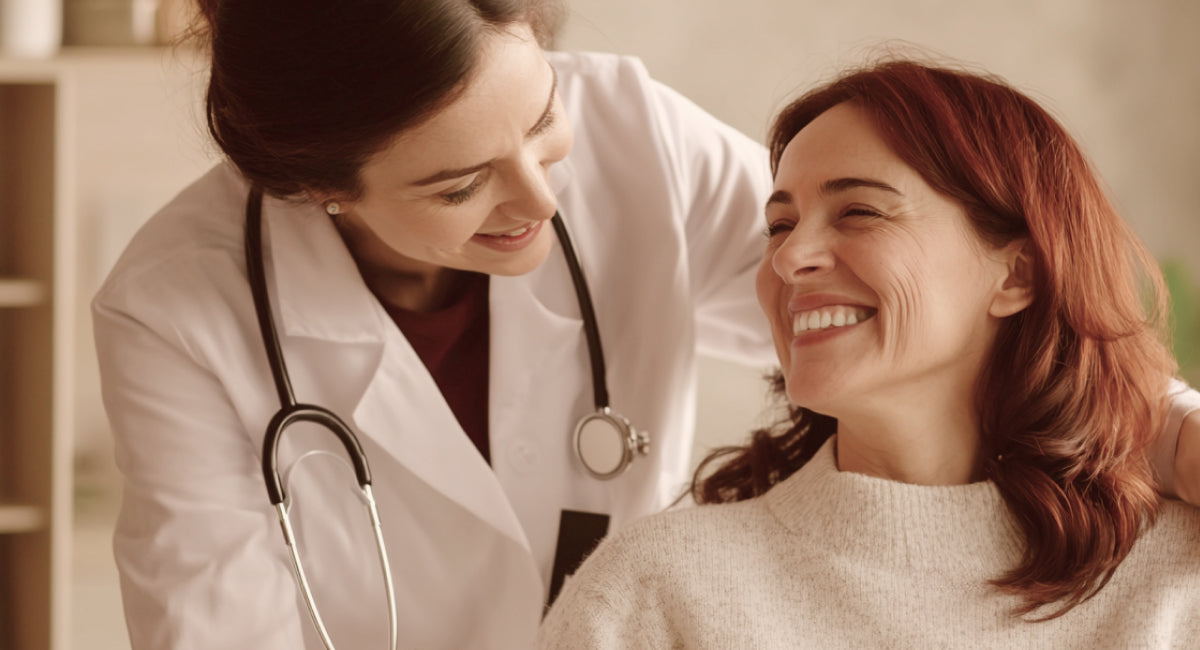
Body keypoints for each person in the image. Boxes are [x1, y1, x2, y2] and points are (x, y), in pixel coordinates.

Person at [92, 1, 776, 648]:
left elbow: (864, 304)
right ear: (322, 188)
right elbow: (218, 630)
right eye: (460, 186)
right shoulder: (172, 310)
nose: (541, 198)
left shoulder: (639, 136)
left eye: (542, 121)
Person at [537, 58, 1200, 648]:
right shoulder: (653, 592)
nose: (789, 257)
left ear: (1018, 274)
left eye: (859, 212)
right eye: (779, 226)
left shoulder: (1175, 577)